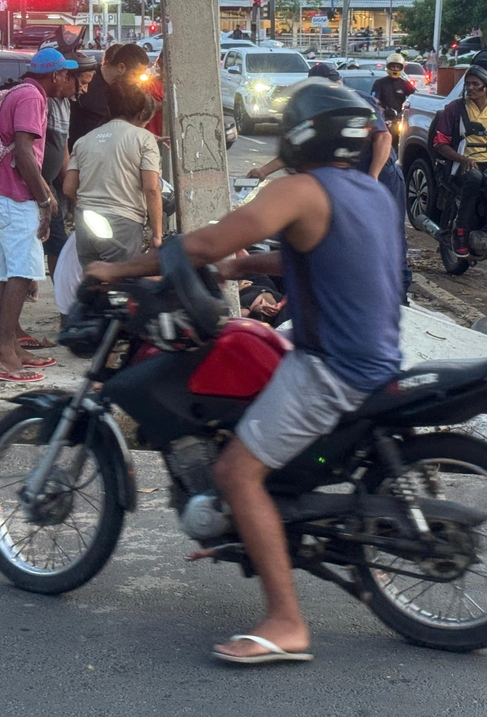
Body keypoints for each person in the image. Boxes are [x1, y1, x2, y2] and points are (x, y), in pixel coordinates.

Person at [86, 79, 402, 665]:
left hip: (332, 365)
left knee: (236, 471)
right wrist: (246, 264)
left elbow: (202, 242)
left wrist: (119, 267)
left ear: (301, 134)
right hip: (376, 355)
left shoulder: (301, 190)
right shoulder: (369, 190)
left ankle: (285, 621)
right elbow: (317, 253)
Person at [246, 62, 411, 296]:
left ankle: (400, 294)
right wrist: (264, 171)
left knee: (389, 236)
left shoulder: (356, 102)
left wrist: (372, 178)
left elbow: (382, 138)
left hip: (381, 176)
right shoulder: (318, 108)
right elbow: (301, 145)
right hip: (353, 180)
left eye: (336, 84)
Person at [0, 48, 79, 383]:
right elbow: (24, 152)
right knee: (22, 271)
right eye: (67, 74)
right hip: (13, 194)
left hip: (4, 192)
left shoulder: (25, 92)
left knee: (9, 270)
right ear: (54, 74)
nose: (70, 81)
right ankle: (4, 350)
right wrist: (44, 198)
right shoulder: (32, 99)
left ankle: (12, 345)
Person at [63, 80, 163, 266]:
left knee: (92, 285)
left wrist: (84, 203)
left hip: (86, 223)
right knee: (120, 287)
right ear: (142, 112)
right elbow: (152, 188)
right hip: (123, 224)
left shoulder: (85, 140)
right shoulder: (144, 139)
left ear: (110, 110)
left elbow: (68, 188)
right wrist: (157, 235)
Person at [431, 49, 487, 256]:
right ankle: (460, 231)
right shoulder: (454, 109)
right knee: (474, 179)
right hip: (462, 164)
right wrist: (463, 158)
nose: (471, 88)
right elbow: (440, 143)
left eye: (476, 84)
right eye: (468, 84)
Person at [41, 50, 98, 278]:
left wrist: (74, 191)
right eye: (82, 83)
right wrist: (45, 189)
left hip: (51, 185)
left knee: (55, 241)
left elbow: (63, 151)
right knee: (57, 242)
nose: (84, 90)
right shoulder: (43, 102)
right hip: (37, 186)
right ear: (66, 76)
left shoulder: (65, 104)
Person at [68, 42, 150, 146]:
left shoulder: (127, 92)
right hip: (76, 151)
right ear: (121, 67)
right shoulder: (86, 77)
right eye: (135, 74)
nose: (137, 81)